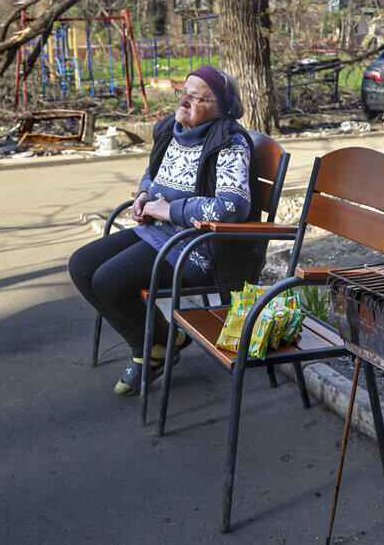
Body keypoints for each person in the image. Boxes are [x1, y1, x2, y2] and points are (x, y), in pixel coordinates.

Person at [69, 66, 263, 395]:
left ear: (220, 108)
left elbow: (232, 207)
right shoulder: (171, 131)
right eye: (183, 93)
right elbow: (152, 172)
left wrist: (170, 210)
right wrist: (144, 195)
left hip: (194, 247)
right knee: (82, 265)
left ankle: (152, 348)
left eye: (196, 98)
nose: (184, 103)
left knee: (108, 280)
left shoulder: (229, 143)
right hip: (158, 231)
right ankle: (163, 338)